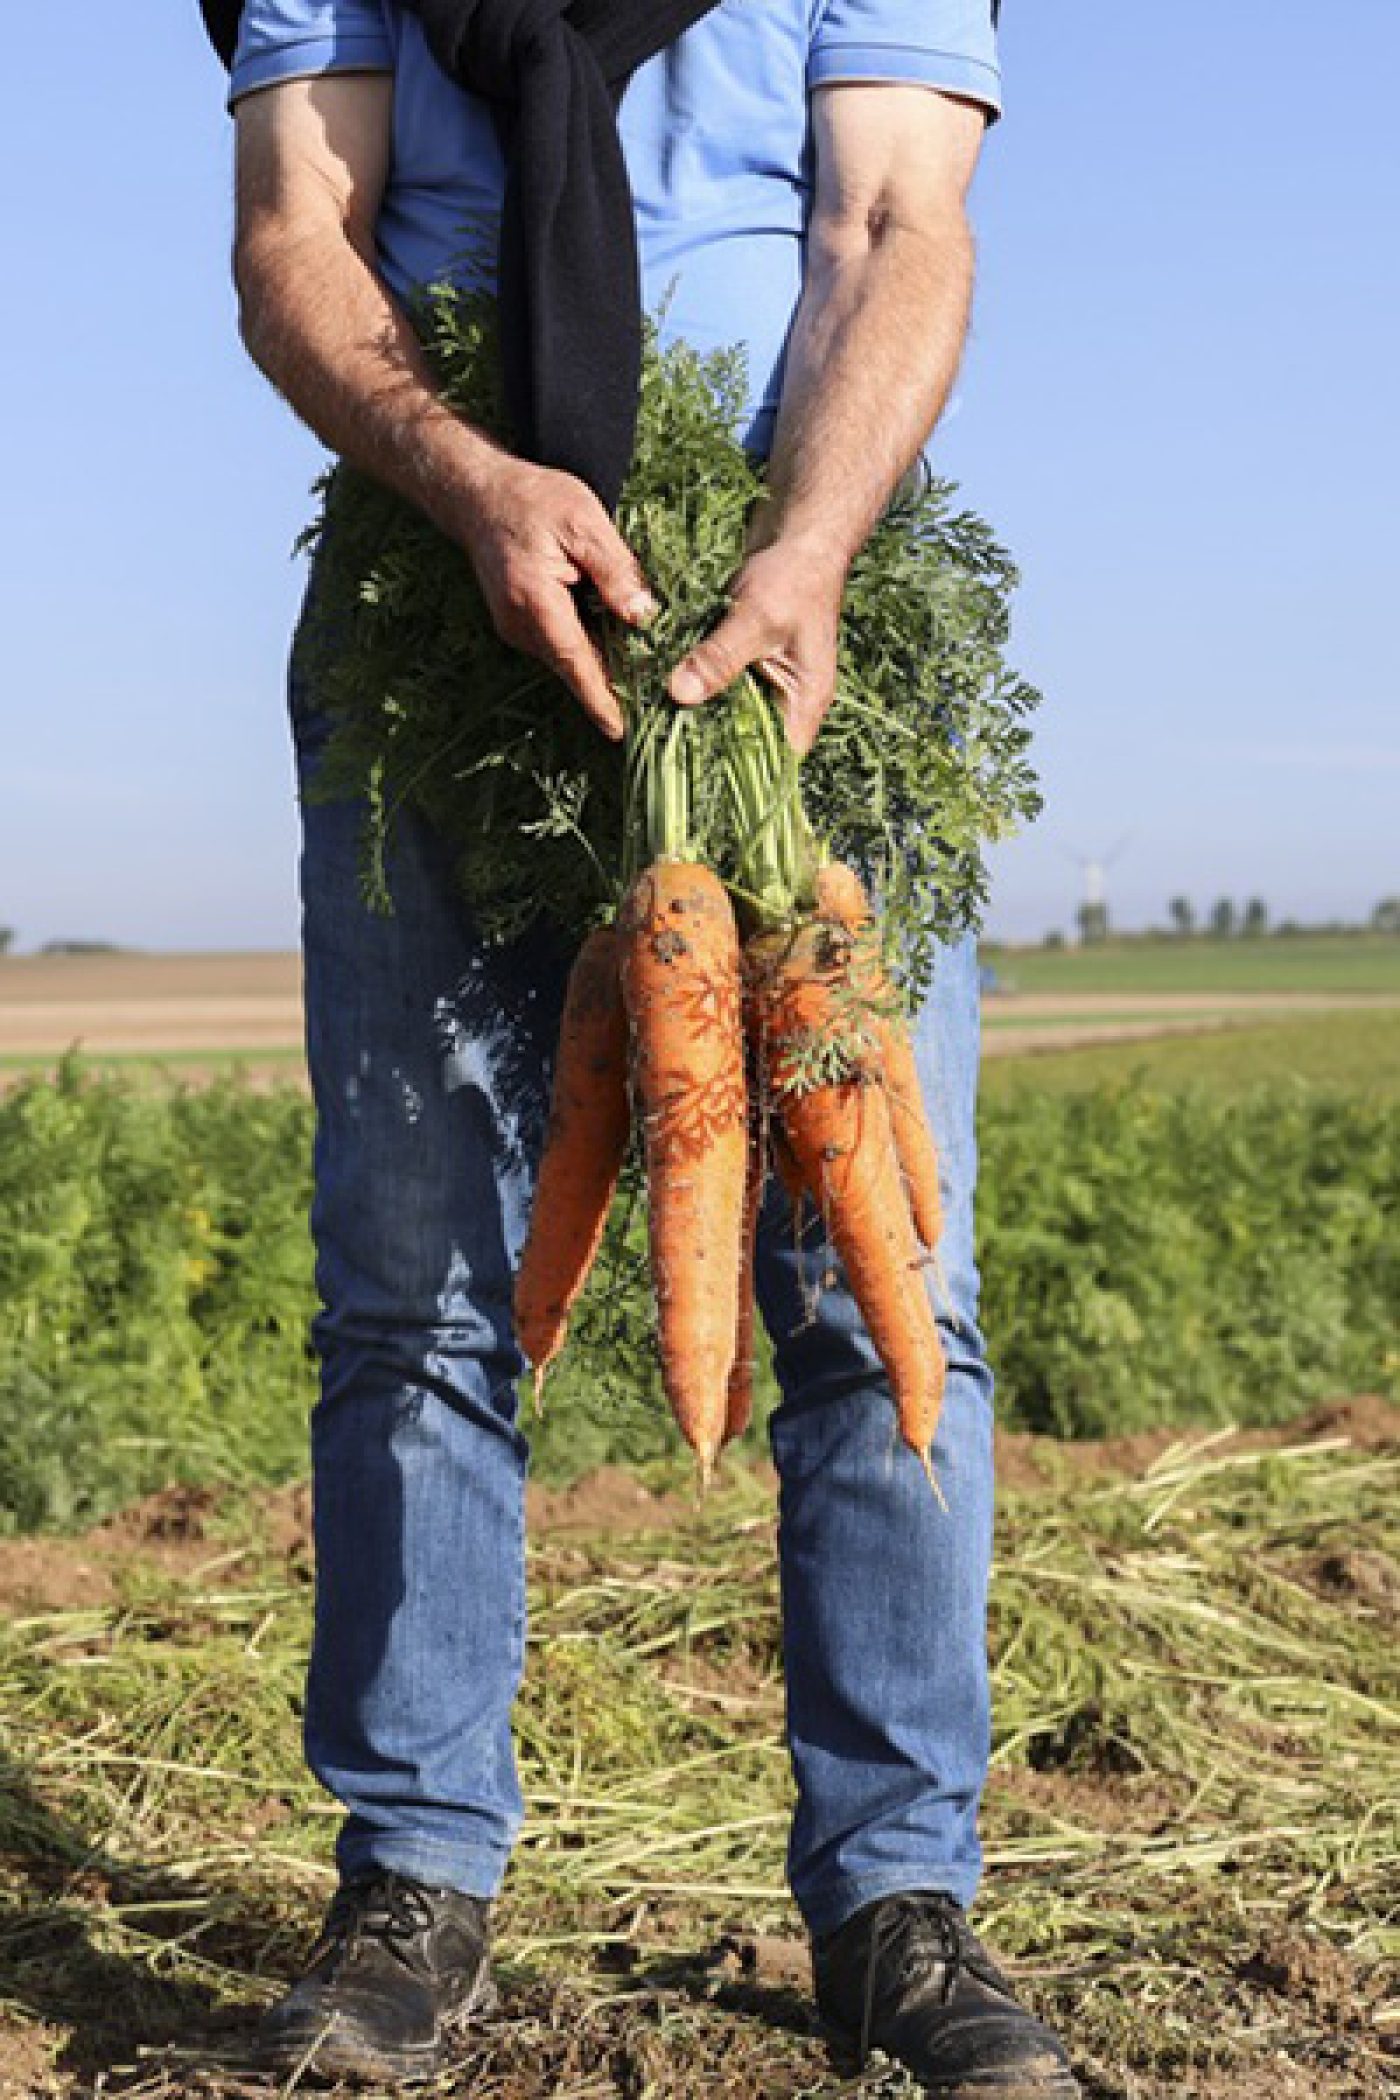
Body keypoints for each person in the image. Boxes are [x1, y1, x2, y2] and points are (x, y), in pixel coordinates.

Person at [222, 1, 1079, 2090]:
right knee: (420, 1281)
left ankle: (898, 1903)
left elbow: (896, 217)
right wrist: (472, 478)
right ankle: (413, 1880)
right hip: (444, 607)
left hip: (798, 626)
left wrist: (806, 547)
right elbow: (295, 230)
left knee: (884, 1298)